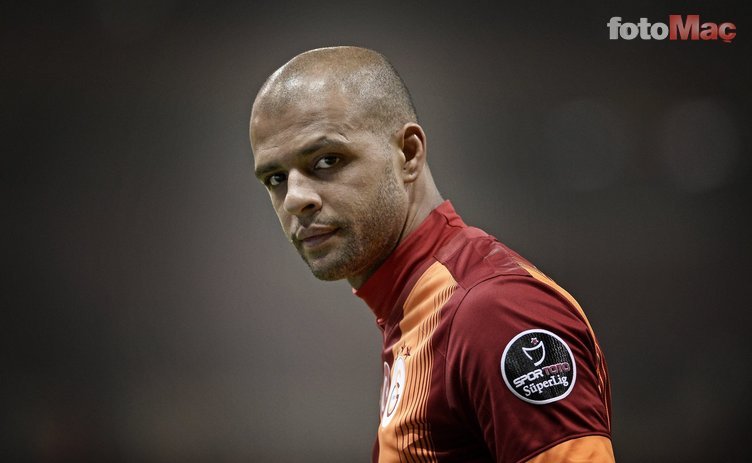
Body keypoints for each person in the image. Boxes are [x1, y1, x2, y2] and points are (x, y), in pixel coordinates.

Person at [249, 46, 614, 462]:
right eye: (275, 178)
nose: (295, 198)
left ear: (408, 153)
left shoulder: (496, 312)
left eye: (327, 160)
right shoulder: (415, 310)